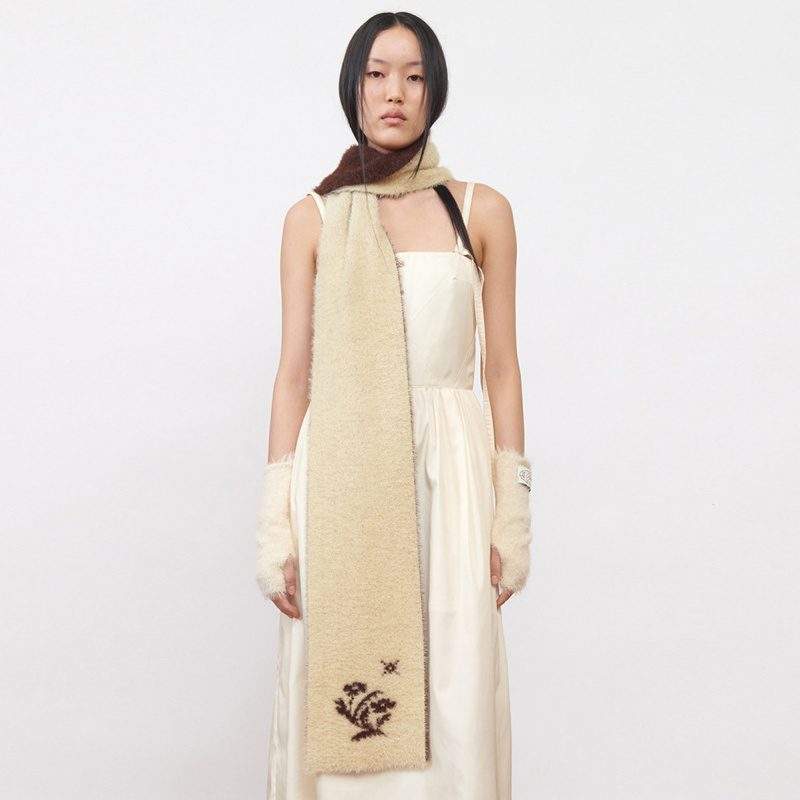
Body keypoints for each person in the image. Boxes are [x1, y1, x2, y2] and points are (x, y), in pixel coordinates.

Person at [256, 11, 532, 799]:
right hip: (345, 483)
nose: (394, 93)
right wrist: (276, 522)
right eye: (377, 74)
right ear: (354, 87)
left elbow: (502, 369)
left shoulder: (479, 209)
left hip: (452, 482)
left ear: (434, 92)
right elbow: (294, 377)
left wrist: (513, 510)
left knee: (456, 698)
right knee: (346, 703)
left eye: (413, 77)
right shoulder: (314, 219)